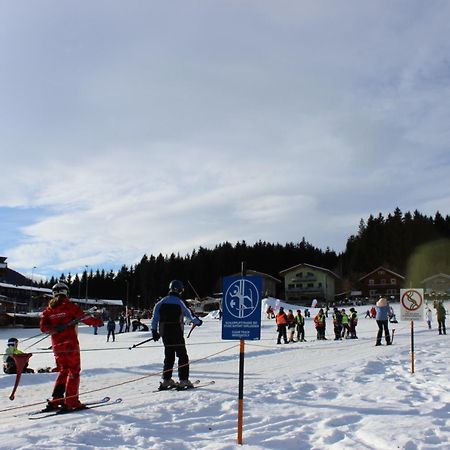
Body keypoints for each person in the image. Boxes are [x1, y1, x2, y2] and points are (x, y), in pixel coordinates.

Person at [40, 282, 103, 412]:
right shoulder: (69, 306)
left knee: (64, 371)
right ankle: (72, 401)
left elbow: (43, 328)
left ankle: (56, 400)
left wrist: (54, 328)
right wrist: (98, 322)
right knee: (74, 371)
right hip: (70, 345)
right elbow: (84, 317)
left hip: (57, 346)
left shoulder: (48, 310)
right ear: (66, 293)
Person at [151, 280, 203, 389]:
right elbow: (190, 316)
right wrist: (198, 322)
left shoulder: (161, 302)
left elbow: (154, 318)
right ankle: (184, 380)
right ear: (179, 290)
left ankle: (166, 380)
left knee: (169, 356)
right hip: (177, 332)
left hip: (164, 333)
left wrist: (154, 331)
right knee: (182, 356)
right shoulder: (179, 302)